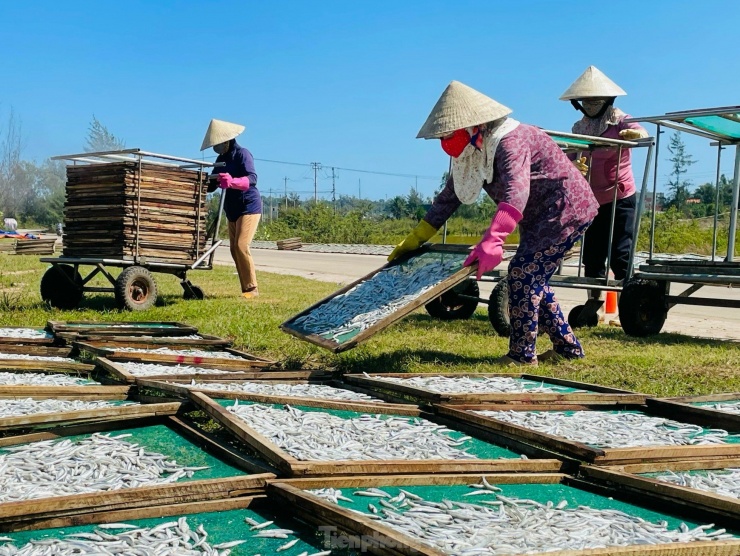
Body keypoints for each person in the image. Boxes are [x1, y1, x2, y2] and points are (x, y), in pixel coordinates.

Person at [389, 81, 599, 365]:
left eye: (450, 133)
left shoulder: (511, 140)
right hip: (538, 216)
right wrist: (415, 237)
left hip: (565, 210)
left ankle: (522, 355)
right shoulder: (475, 149)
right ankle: (568, 350)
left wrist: (495, 237)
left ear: (474, 125)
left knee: (523, 274)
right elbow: (449, 197)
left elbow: (517, 190)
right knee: (532, 278)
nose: (446, 140)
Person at [560, 66, 648, 319]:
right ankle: (593, 303)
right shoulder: (578, 127)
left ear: (608, 100)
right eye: (586, 101)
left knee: (621, 252)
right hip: (592, 199)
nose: (590, 105)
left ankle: (628, 304)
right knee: (593, 254)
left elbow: (643, 134)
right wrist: (573, 163)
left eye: (596, 101)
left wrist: (634, 135)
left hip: (620, 195)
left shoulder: (621, 119)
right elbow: (569, 154)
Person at [200, 118, 261, 299]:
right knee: (234, 248)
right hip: (232, 208)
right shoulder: (221, 159)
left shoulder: (243, 154)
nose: (216, 148)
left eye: (218, 144)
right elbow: (212, 185)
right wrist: (202, 181)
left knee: (242, 245)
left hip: (248, 206)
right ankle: (245, 289)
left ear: (227, 140)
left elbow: (252, 179)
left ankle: (252, 289)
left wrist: (233, 181)